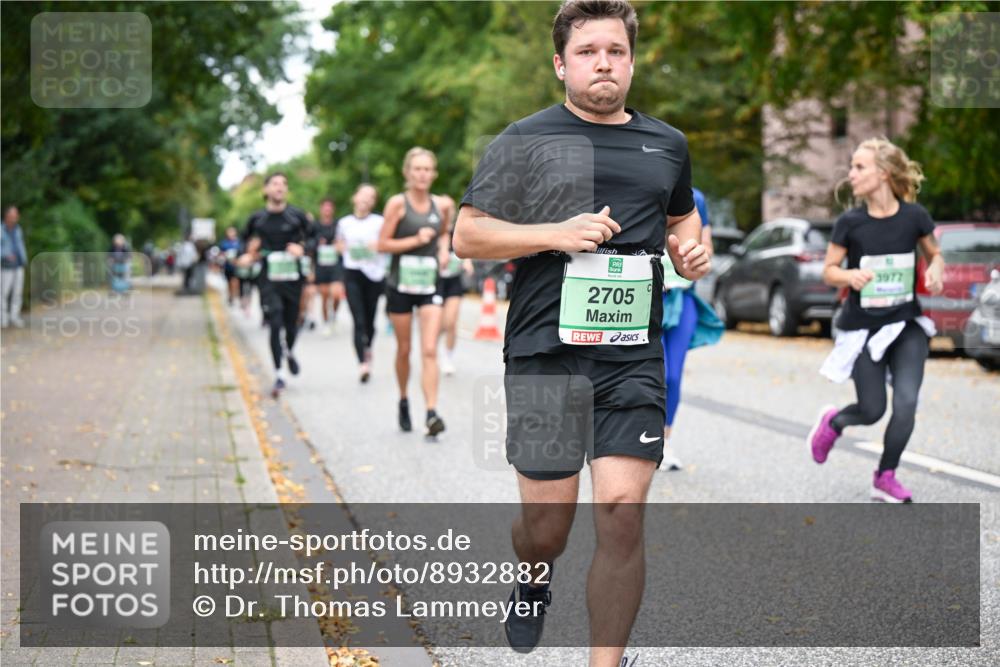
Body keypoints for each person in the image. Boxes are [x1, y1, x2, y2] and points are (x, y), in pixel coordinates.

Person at [453, 2, 710, 663]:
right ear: (561, 63)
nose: (604, 62)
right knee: (548, 528)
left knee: (622, 512)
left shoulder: (667, 143)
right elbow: (468, 234)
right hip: (545, 356)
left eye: (616, 51)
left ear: (631, 60)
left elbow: (683, 219)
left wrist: (691, 250)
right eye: (590, 50)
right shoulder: (525, 138)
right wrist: (554, 233)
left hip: (632, 359)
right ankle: (533, 573)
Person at [810, 137, 944, 504]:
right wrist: (848, 276)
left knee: (906, 403)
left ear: (883, 173)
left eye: (859, 167)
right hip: (863, 328)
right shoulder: (850, 222)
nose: (851, 174)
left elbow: (935, 255)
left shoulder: (914, 216)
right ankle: (835, 422)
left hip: (906, 325)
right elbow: (828, 271)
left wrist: (935, 270)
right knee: (872, 410)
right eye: (852, 167)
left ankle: (885, 475)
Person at [378, 147, 453, 437]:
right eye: (417, 169)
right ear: (407, 173)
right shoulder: (397, 204)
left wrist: (444, 250)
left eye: (427, 169)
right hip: (400, 284)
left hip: (429, 283)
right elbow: (382, 244)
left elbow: (444, 232)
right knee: (405, 348)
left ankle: (432, 412)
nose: (422, 174)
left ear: (433, 174)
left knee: (430, 348)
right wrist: (413, 240)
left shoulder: (442, 205)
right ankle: (403, 399)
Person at [659, 187, 724, 470]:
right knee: (653, 370)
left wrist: (696, 256)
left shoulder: (696, 198)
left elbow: (706, 247)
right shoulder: (642, 185)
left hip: (682, 297)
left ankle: (663, 442)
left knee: (672, 375)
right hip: (646, 296)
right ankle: (637, 440)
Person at [237, 173, 313, 398]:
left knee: (291, 323)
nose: (280, 188)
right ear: (266, 190)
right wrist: (245, 255)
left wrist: (303, 249)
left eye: (284, 185)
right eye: (275, 184)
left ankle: (288, 350)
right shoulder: (257, 219)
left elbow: (314, 237)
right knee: (275, 320)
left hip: (292, 276)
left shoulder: (297, 216)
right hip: (268, 277)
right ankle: (279, 373)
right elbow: (243, 240)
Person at [339, 184, 386, 382]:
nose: (366, 199)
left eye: (371, 196)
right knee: (358, 320)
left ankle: (367, 348)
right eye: (363, 195)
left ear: (373, 202)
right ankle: (362, 364)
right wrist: (344, 249)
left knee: (370, 322)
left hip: (374, 275)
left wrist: (377, 246)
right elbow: (339, 243)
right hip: (352, 273)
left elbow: (387, 243)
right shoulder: (344, 223)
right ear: (355, 197)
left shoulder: (380, 222)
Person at [436, 229, 474, 376]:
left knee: (450, 322)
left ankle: (448, 357)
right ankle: (432, 347)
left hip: (453, 282)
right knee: (438, 324)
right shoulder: (432, 231)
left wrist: (467, 263)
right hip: (435, 283)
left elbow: (465, 249)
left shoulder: (456, 232)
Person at [312, 198, 347, 336]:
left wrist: (339, 245)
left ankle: (334, 316)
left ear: (332, 209)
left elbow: (344, 241)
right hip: (321, 265)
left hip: (336, 265)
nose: (327, 209)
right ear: (321, 209)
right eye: (324, 207)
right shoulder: (314, 226)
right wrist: (316, 244)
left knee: (337, 295)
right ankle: (326, 322)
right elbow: (309, 244)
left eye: (329, 207)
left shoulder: (339, 224)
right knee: (325, 296)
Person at [1, 205, 28, 328]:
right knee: (3, 293)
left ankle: (14, 316)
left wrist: (24, 259)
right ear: (6, 216)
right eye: (11, 215)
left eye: (15, 215)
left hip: (19, 265)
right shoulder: (1, 230)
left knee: (17, 293)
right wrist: (6, 255)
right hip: (5, 266)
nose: (14, 218)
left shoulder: (18, 229)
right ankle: (3, 318)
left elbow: (20, 245)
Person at [219, 226, 242, 306]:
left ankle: (236, 295)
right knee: (229, 282)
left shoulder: (239, 242)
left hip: (237, 265)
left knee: (235, 280)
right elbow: (220, 253)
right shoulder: (224, 243)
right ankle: (230, 295)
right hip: (227, 266)